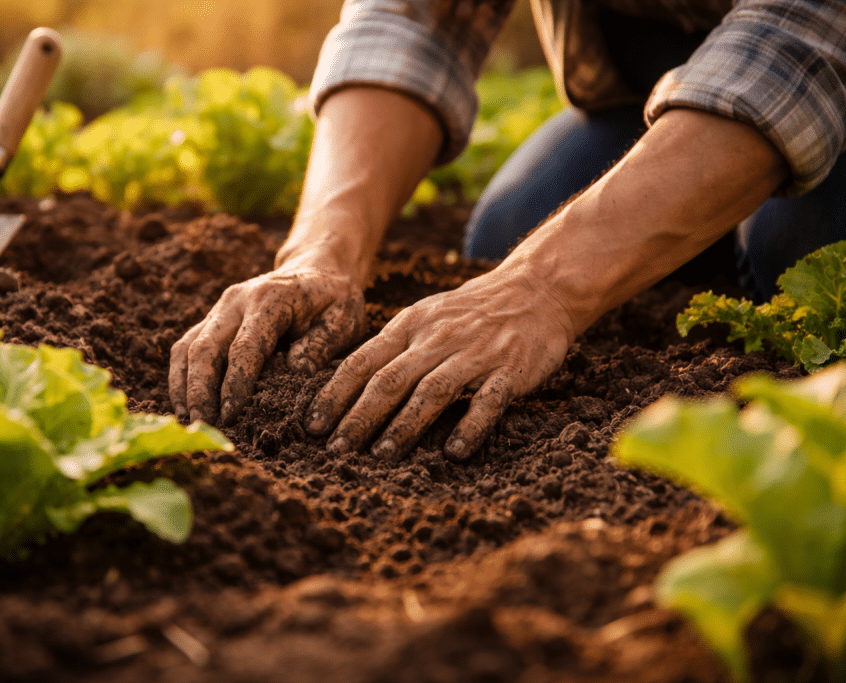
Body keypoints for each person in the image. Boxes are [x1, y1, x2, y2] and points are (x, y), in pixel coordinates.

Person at [169, 0, 846, 462]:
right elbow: (410, 21)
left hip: (818, 70)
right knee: (507, 232)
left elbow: (804, 40)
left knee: (799, 257)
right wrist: (322, 249)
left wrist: (543, 285)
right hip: (651, 89)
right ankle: (706, 210)